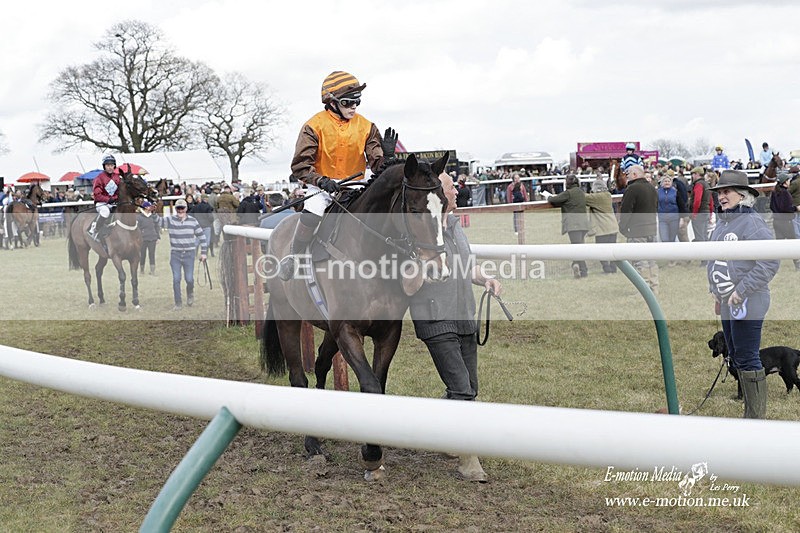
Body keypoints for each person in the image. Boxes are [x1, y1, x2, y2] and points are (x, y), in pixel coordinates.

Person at [409, 171, 501, 482]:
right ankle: (468, 460)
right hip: (436, 319)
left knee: (469, 388)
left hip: (464, 315)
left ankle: (438, 431)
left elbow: (468, 264)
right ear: (437, 192)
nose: (457, 192)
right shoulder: (418, 234)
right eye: (452, 187)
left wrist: (485, 278)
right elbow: (407, 287)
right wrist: (422, 267)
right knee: (462, 389)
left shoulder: (453, 225)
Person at [279, 70, 397, 280]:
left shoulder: (367, 127)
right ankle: (294, 256)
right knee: (312, 212)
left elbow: (377, 166)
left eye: (356, 103)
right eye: (347, 102)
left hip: (356, 185)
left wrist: (386, 157)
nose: (353, 108)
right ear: (332, 102)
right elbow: (300, 166)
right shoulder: (313, 126)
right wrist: (322, 181)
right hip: (322, 187)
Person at [707, 170, 779, 419]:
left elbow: (769, 262)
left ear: (743, 194)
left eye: (726, 192)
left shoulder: (752, 222)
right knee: (736, 355)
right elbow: (716, 262)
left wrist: (741, 290)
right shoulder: (723, 222)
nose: (721, 197)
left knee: (747, 356)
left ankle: (755, 419)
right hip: (728, 300)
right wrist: (716, 292)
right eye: (719, 192)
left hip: (750, 299)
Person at [618, 165, 659, 294]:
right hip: (652, 229)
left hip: (637, 231)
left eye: (628, 173)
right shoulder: (652, 188)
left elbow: (626, 211)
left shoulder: (632, 189)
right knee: (652, 260)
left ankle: (645, 290)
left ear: (635, 175)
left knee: (640, 261)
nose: (627, 176)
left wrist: (622, 228)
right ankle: (655, 287)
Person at [163, 198, 207, 310]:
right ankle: (178, 303)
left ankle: (190, 294)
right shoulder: (170, 220)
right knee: (176, 279)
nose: (180, 210)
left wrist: (203, 253)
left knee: (189, 279)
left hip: (189, 254)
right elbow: (157, 221)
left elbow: (202, 237)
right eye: (178, 208)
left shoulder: (193, 221)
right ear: (176, 209)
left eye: (182, 208)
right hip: (175, 255)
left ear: (186, 209)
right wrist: (151, 210)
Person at [545, 174, 590, 278]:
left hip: (573, 225)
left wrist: (549, 196)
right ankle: (577, 265)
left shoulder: (568, 193)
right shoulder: (580, 192)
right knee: (579, 246)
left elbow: (553, 200)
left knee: (576, 248)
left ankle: (582, 270)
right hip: (583, 224)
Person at [585, 177, 619, 273]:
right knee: (612, 250)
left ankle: (606, 269)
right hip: (612, 227)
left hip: (603, 229)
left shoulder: (596, 198)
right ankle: (613, 268)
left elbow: (583, 197)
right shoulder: (607, 195)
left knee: (600, 251)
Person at [769, 172, 800, 271]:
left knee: (779, 245)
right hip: (786, 222)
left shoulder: (774, 192)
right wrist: (796, 208)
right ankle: (797, 264)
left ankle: (775, 266)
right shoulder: (785, 193)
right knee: (793, 243)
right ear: (784, 182)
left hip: (777, 221)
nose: (789, 181)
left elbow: (772, 207)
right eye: (788, 180)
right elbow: (786, 208)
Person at [88, 155, 121, 244]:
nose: (110, 167)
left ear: (114, 166)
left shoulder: (117, 177)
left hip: (113, 202)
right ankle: (95, 230)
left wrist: (115, 198)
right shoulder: (99, 178)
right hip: (101, 203)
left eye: (112, 165)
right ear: (104, 166)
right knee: (105, 212)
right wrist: (108, 199)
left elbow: (119, 192)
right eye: (107, 165)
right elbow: (97, 195)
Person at [689, 167, 712, 249]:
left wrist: (694, 213)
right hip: (706, 212)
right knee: (704, 235)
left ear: (697, 174)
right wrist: (710, 213)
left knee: (699, 236)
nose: (692, 176)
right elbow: (711, 200)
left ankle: (703, 258)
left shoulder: (698, 184)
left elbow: (697, 200)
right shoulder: (706, 184)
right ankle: (707, 257)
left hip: (699, 213)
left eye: (693, 174)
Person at [657, 173, 683, 244]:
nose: (667, 183)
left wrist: (682, 218)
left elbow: (681, 205)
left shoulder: (675, 192)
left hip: (674, 217)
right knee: (664, 238)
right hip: (662, 218)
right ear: (662, 183)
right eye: (665, 181)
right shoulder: (658, 192)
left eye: (668, 181)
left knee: (672, 239)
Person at [137, 201, 161, 275]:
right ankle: (142, 270)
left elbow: (157, 227)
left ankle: (152, 271)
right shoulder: (139, 217)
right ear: (145, 208)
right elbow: (138, 228)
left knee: (152, 254)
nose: (150, 208)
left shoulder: (153, 216)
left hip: (152, 237)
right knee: (142, 254)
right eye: (149, 206)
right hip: (143, 238)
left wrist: (158, 237)